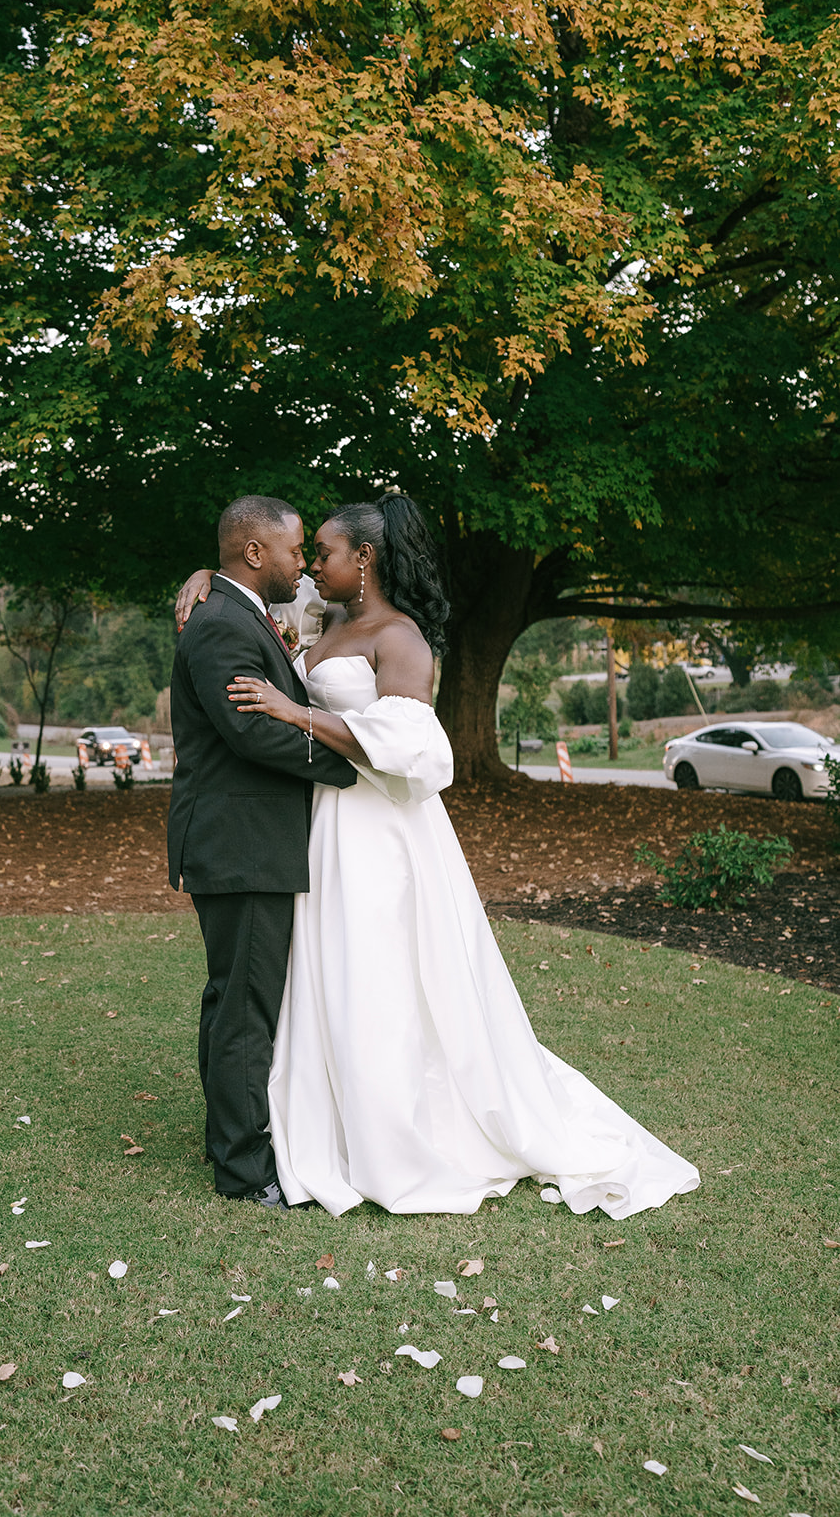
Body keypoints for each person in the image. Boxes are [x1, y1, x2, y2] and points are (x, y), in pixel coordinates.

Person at [182, 492, 700, 1218]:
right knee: (322, 975)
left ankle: (397, 1133)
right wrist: (204, 577)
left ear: (363, 559)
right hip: (320, 827)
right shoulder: (321, 619)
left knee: (383, 975)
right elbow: (249, 578)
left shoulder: (400, 637)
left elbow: (416, 748)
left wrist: (301, 711)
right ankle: (321, 1124)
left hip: (376, 827)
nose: (310, 568)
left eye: (322, 554)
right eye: (306, 554)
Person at [167, 495, 357, 1208]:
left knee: (234, 1002)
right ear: (254, 553)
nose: (302, 563)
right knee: (242, 1006)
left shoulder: (236, 611)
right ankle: (244, 1173)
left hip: (249, 840)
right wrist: (356, 762)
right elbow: (251, 732)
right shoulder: (220, 623)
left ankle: (236, 1139)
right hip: (238, 842)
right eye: (292, 550)